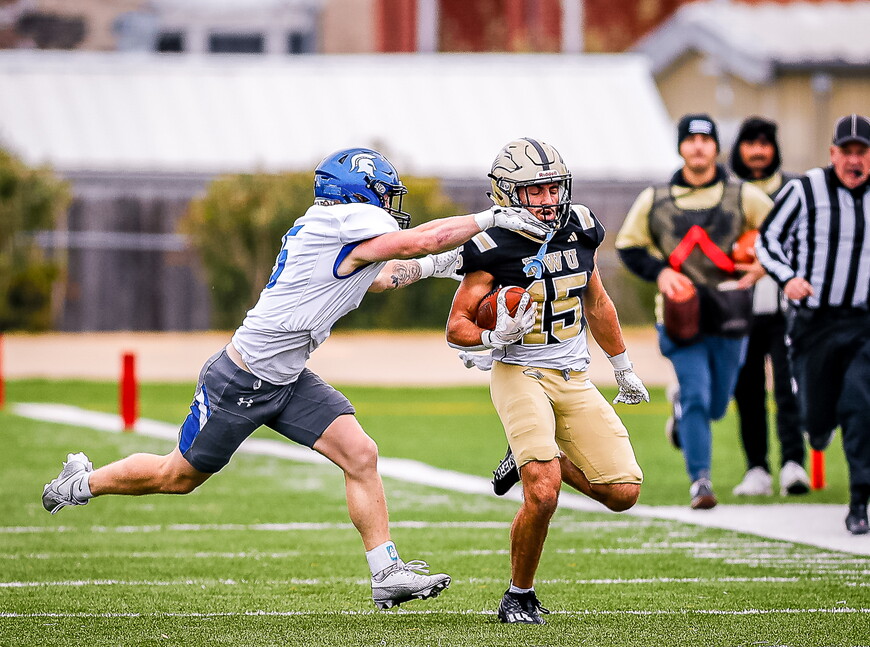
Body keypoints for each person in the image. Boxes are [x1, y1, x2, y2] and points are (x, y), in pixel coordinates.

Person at [41, 147, 552, 608]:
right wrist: (490, 217)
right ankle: (81, 483)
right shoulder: (342, 220)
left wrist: (459, 261)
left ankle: (386, 572)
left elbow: (389, 275)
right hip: (242, 379)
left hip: (287, 378)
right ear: (358, 194)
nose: (392, 205)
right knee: (177, 476)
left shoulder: (339, 231)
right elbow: (415, 243)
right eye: (384, 194)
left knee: (361, 453)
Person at [446, 138, 649, 624]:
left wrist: (622, 366)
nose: (547, 199)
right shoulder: (494, 244)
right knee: (544, 491)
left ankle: (531, 458)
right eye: (534, 191)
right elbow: (457, 326)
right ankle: (519, 594)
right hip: (520, 370)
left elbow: (596, 302)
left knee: (623, 492)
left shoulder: (580, 226)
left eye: (553, 187)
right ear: (507, 194)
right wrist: (495, 333)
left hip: (573, 373)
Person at [615, 114, 772, 509]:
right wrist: (662, 271)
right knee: (701, 397)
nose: (699, 146)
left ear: (716, 147)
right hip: (679, 313)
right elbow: (628, 246)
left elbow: (785, 232)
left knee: (718, 403)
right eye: (691, 139)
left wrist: (763, 265)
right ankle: (700, 482)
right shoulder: (657, 197)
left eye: (706, 139)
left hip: (731, 310)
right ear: (681, 146)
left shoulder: (743, 195)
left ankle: (682, 410)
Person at [756, 113, 870, 535]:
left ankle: (859, 500)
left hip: (862, 320)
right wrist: (790, 278)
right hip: (813, 322)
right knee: (817, 419)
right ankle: (818, 430)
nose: (855, 161)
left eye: (863, 152)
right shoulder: (805, 191)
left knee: (860, 404)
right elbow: (766, 241)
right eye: (848, 152)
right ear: (833, 153)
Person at [728, 117, 809, 497]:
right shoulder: (729, 191)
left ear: (774, 148)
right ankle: (757, 467)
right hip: (740, 308)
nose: (758, 151)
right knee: (747, 390)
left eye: (765, 143)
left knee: (788, 388)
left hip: (783, 308)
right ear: (739, 148)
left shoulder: (793, 189)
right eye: (751, 143)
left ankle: (794, 463)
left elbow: (805, 239)